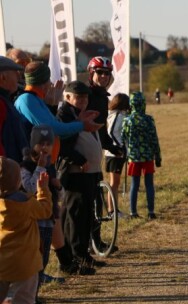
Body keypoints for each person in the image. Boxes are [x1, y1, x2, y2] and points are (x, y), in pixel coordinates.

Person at [56, 80, 105, 275]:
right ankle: (76, 256)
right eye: (79, 97)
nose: (83, 100)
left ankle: (83, 254)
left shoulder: (80, 114)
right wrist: (79, 159)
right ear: (67, 97)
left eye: (85, 97)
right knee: (75, 217)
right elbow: (63, 146)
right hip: (76, 174)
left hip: (89, 173)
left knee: (86, 216)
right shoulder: (65, 116)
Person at [19, 125, 65, 302]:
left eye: (48, 144)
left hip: (48, 220)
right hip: (33, 222)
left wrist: (58, 186)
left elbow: (59, 196)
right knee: (33, 262)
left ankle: (35, 295)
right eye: (40, 144)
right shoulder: (26, 166)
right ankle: (30, 297)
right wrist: (39, 168)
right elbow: (30, 188)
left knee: (43, 260)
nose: (44, 147)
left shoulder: (50, 165)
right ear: (33, 145)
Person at [0, 156, 52, 304]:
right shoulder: (27, 202)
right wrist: (43, 190)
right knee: (24, 299)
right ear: (18, 182)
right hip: (26, 263)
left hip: (2, 263)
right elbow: (46, 211)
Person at [86, 56, 122, 253]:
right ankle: (85, 244)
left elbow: (101, 129)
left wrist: (112, 146)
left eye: (107, 73)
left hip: (95, 149)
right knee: (85, 202)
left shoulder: (102, 97)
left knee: (97, 199)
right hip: (82, 149)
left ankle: (96, 241)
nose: (104, 76)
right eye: (100, 72)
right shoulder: (86, 94)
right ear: (91, 73)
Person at [121, 92, 161, 220]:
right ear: (143, 104)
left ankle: (133, 212)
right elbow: (154, 139)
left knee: (134, 185)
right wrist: (158, 156)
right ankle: (151, 211)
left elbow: (123, 138)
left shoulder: (127, 120)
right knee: (149, 184)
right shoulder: (149, 119)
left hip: (133, 157)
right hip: (148, 156)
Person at [105, 93, 130, 216]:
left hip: (115, 154)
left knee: (114, 183)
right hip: (115, 154)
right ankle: (112, 211)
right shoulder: (117, 115)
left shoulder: (116, 115)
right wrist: (119, 147)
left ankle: (113, 210)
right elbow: (111, 132)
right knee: (114, 183)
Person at [0, 56, 28, 163]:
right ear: (3, 77)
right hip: (6, 171)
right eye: (15, 73)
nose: (19, 76)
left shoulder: (6, 101)